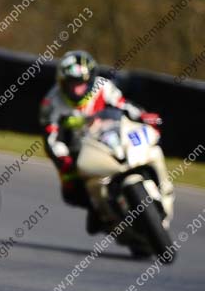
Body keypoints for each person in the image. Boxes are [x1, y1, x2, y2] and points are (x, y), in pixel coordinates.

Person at [39, 50, 161, 233]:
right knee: (71, 191)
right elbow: (51, 137)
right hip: (75, 150)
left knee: (143, 147)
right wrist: (63, 158)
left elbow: (124, 105)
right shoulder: (51, 102)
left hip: (108, 136)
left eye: (80, 83)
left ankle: (155, 186)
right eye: (71, 83)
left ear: (90, 80)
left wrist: (143, 115)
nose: (76, 89)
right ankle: (97, 211)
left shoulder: (103, 87)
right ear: (62, 83)